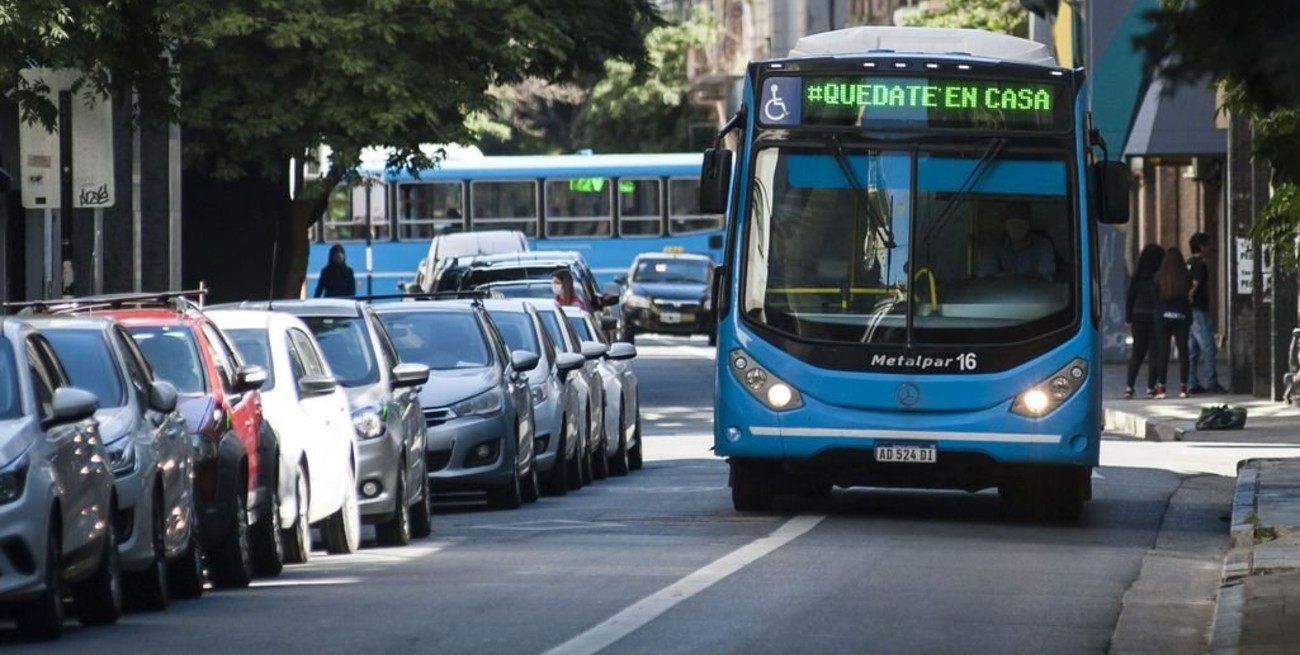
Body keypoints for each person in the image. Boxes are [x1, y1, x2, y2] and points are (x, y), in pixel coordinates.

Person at [1150, 247, 1193, 399]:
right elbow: (1188, 295)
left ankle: (1161, 388)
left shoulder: (1159, 276)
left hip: (1162, 316)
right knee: (1183, 352)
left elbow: (1154, 298)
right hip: (1181, 315)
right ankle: (1183, 387)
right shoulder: (1185, 275)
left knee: (1163, 352)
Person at [1186, 232, 1226, 393]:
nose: (1210, 247)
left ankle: (1191, 383)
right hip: (1198, 309)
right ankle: (1211, 381)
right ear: (1201, 246)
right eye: (1207, 244)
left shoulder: (1188, 262)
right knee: (1209, 347)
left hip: (1190, 311)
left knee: (1192, 350)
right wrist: (1189, 297)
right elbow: (1195, 284)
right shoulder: (1199, 264)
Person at [1124, 244, 1165, 398]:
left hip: (1138, 314)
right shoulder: (1159, 276)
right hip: (1155, 316)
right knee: (1155, 352)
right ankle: (1150, 387)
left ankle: (1129, 386)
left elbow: (1130, 297)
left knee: (1137, 353)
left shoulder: (1137, 277)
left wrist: (1128, 318)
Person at [977, 202, 1055, 281]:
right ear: (1005, 221)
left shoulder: (1043, 245)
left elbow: (1045, 276)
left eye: (1022, 217)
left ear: (1029, 221)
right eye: (1013, 217)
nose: (1017, 221)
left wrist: (1004, 277)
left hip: (1034, 293)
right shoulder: (992, 246)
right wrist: (1029, 277)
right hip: (999, 293)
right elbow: (986, 277)